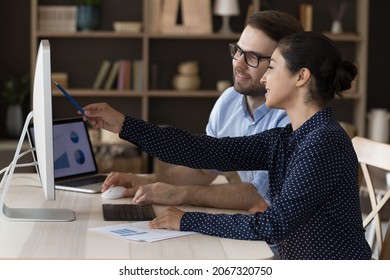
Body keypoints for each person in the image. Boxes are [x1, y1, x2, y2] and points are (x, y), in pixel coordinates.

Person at [81, 31, 372, 259]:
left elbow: (272, 225)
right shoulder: (288, 138)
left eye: (271, 67)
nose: (265, 77)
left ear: (301, 76)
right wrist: (122, 124)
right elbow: (205, 150)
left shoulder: (325, 141)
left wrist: (188, 220)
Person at [101, 11, 303, 212]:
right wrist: (147, 180)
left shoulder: (293, 121)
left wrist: (180, 194)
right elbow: (205, 166)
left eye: (253, 57)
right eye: (238, 51)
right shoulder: (229, 100)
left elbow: (258, 197)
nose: (238, 64)